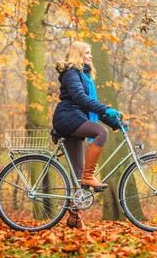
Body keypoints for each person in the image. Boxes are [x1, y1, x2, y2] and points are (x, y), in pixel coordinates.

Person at [52, 41, 122, 229]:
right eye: (87, 53)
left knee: (77, 172)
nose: (90, 56)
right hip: (68, 117)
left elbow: (90, 106)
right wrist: (107, 109)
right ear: (78, 54)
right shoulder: (71, 73)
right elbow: (81, 99)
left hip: (75, 117)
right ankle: (89, 176)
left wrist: (117, 123)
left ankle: (75, 217)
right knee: (100, 132)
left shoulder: (83, 76)